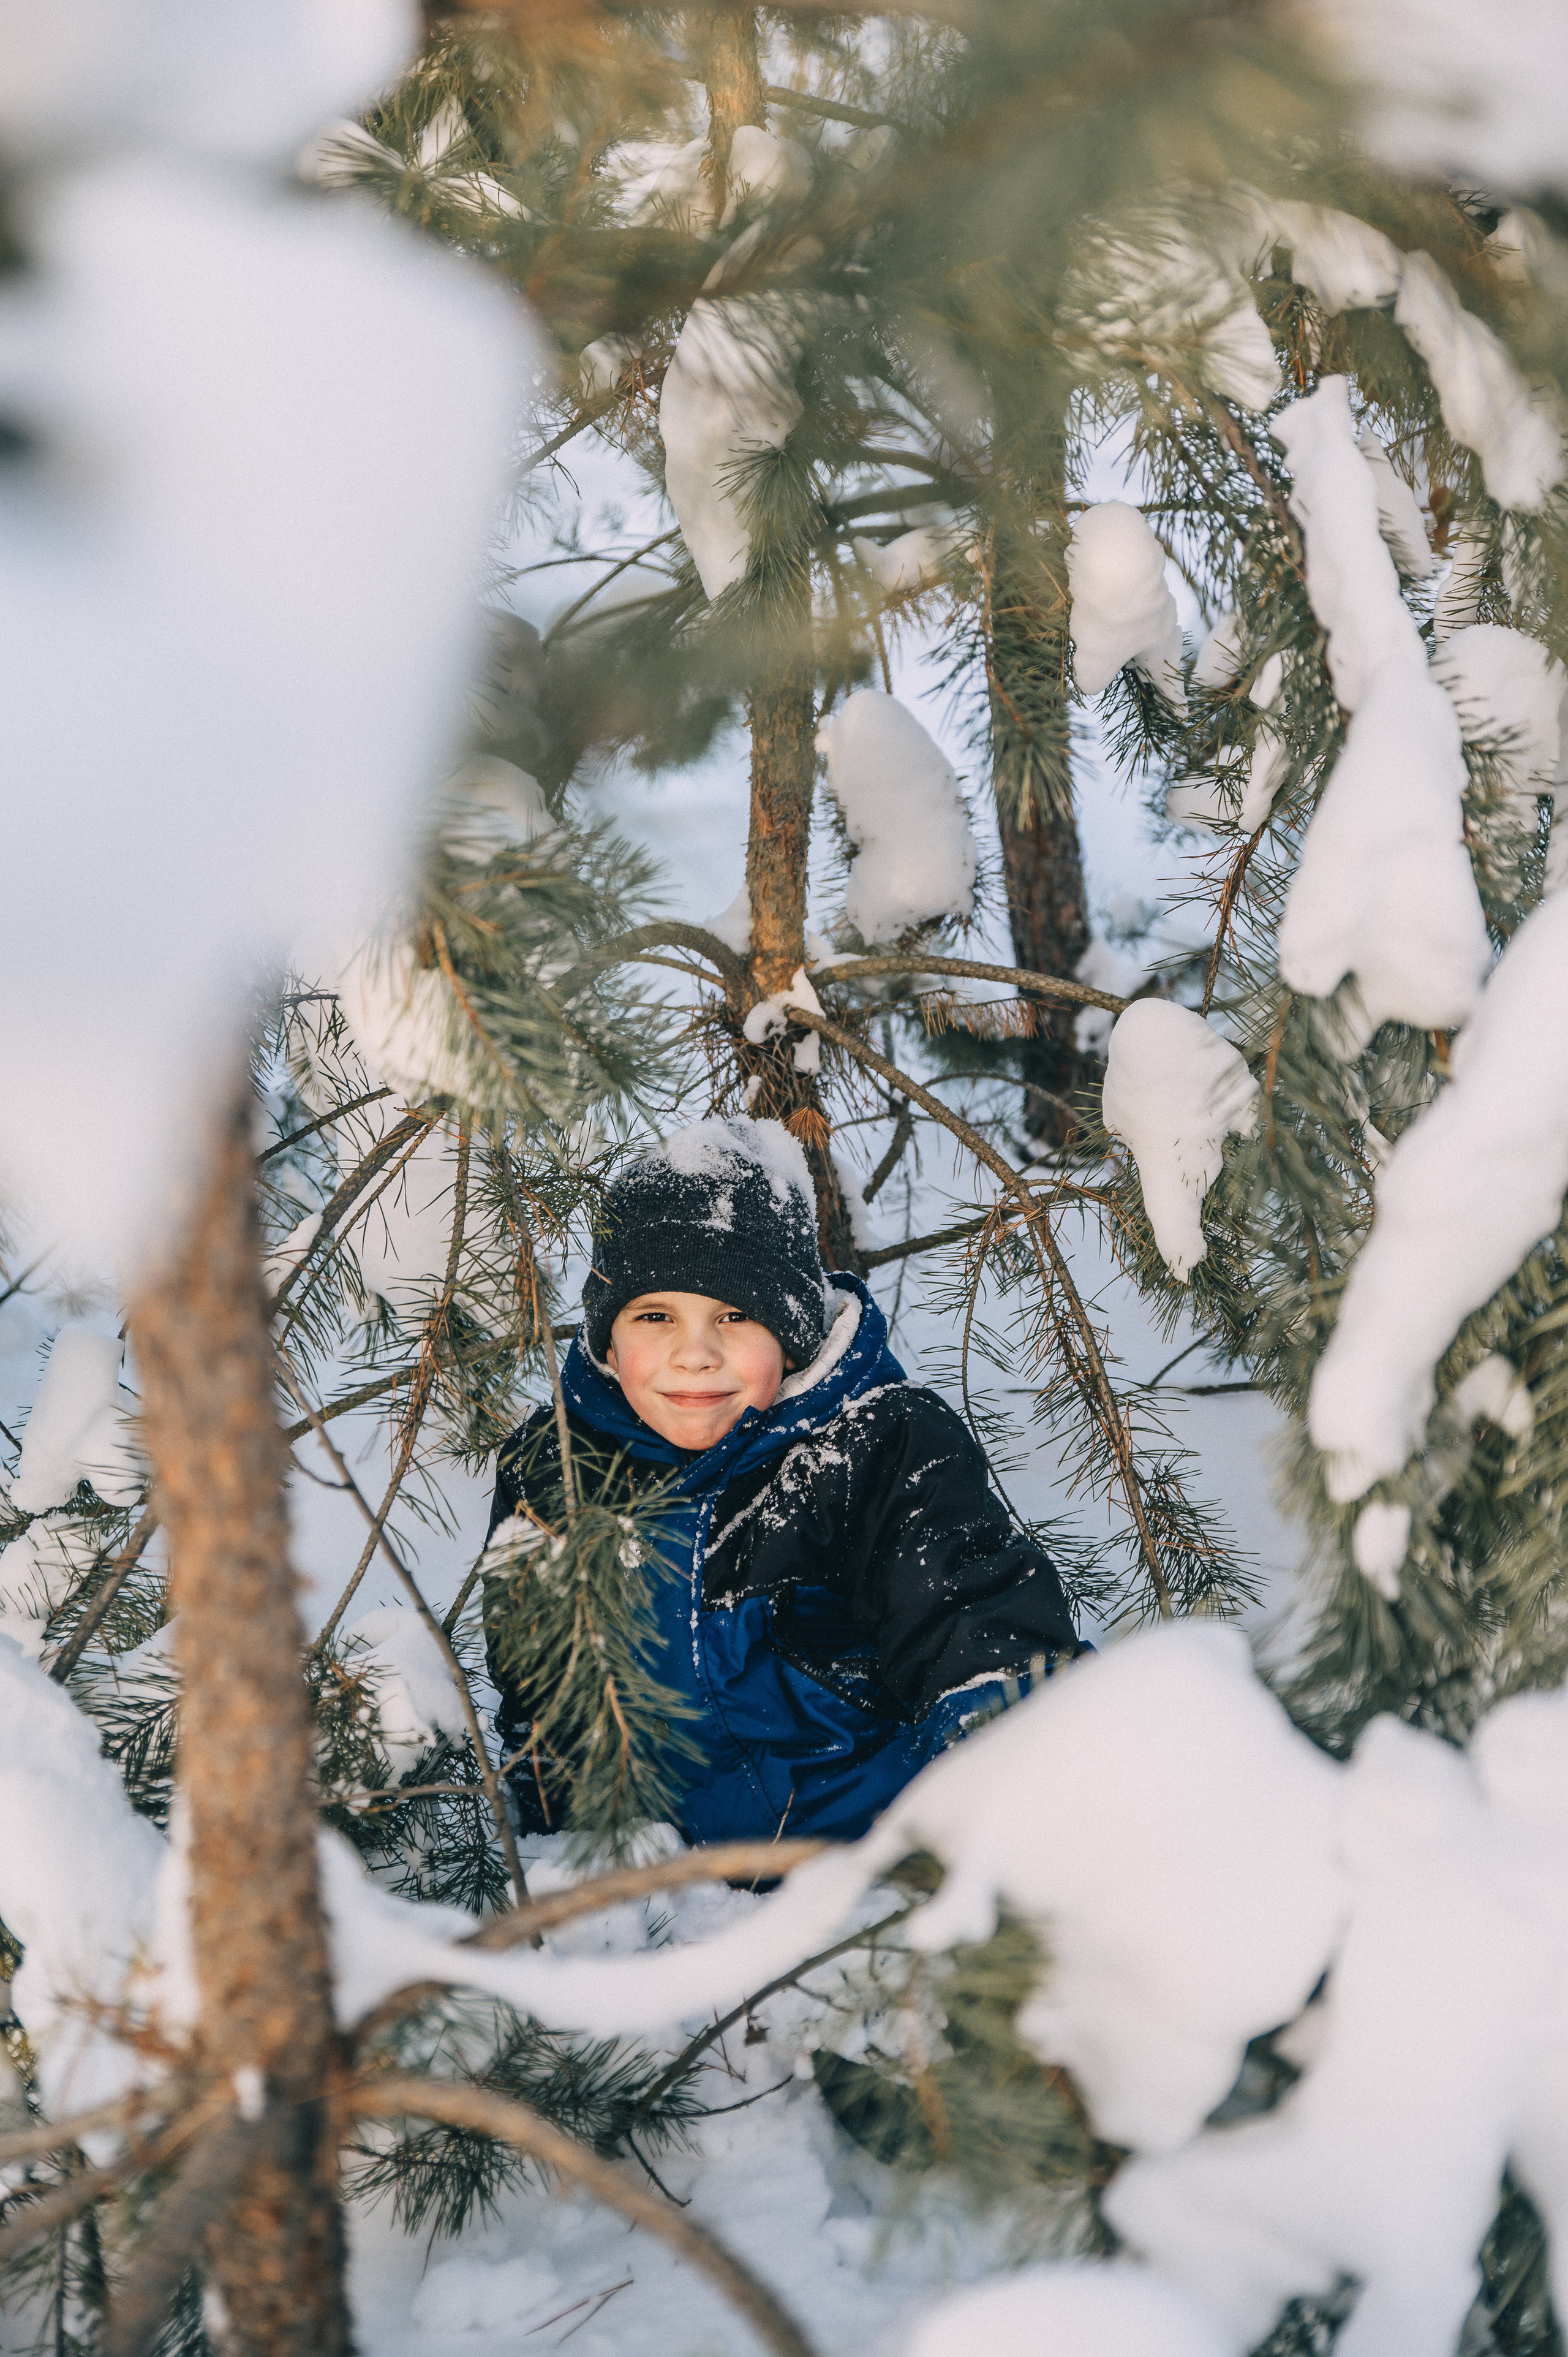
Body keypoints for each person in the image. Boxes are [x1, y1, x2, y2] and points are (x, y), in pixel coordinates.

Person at [483, 1115, 1085, 1846]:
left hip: (858, 1873)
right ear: (608, 1334)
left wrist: (1001, 1808)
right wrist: (551, 1841)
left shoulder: (877, 1446)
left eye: (735, 1315)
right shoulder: (554, 1467)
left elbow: (974, 1627)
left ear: (792, 1329)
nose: (694, 1353)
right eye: (655, 1315)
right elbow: (538, 1694)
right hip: (655, 1893)